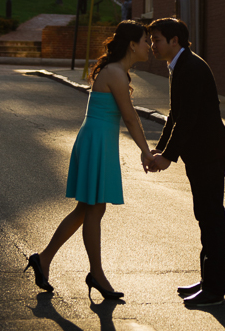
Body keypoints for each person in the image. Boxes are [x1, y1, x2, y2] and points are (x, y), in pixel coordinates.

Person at [25, 21, 154, 300]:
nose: (150, 46)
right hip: (97, 143)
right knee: (93, 210)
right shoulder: (116, 73)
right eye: (146, 40)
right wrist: (146, 151)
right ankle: (96, 274)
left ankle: (44, 258)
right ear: (132, 44)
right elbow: (131, 118)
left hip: (98, 141)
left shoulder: (118, 72)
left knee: (86, 209)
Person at [147, 17, 225, 308]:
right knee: (204, 217)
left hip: (209, 154)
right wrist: (158, 150)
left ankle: (214, 291)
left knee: (211, 220)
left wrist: (167, 157)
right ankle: (207, 281)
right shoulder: (179, 66)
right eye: (151, 40)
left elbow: (188, 118)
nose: (152, 45)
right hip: (200, 154)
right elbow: (175, 113)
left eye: (157, 40)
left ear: (175, 41)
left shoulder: (192, 68)